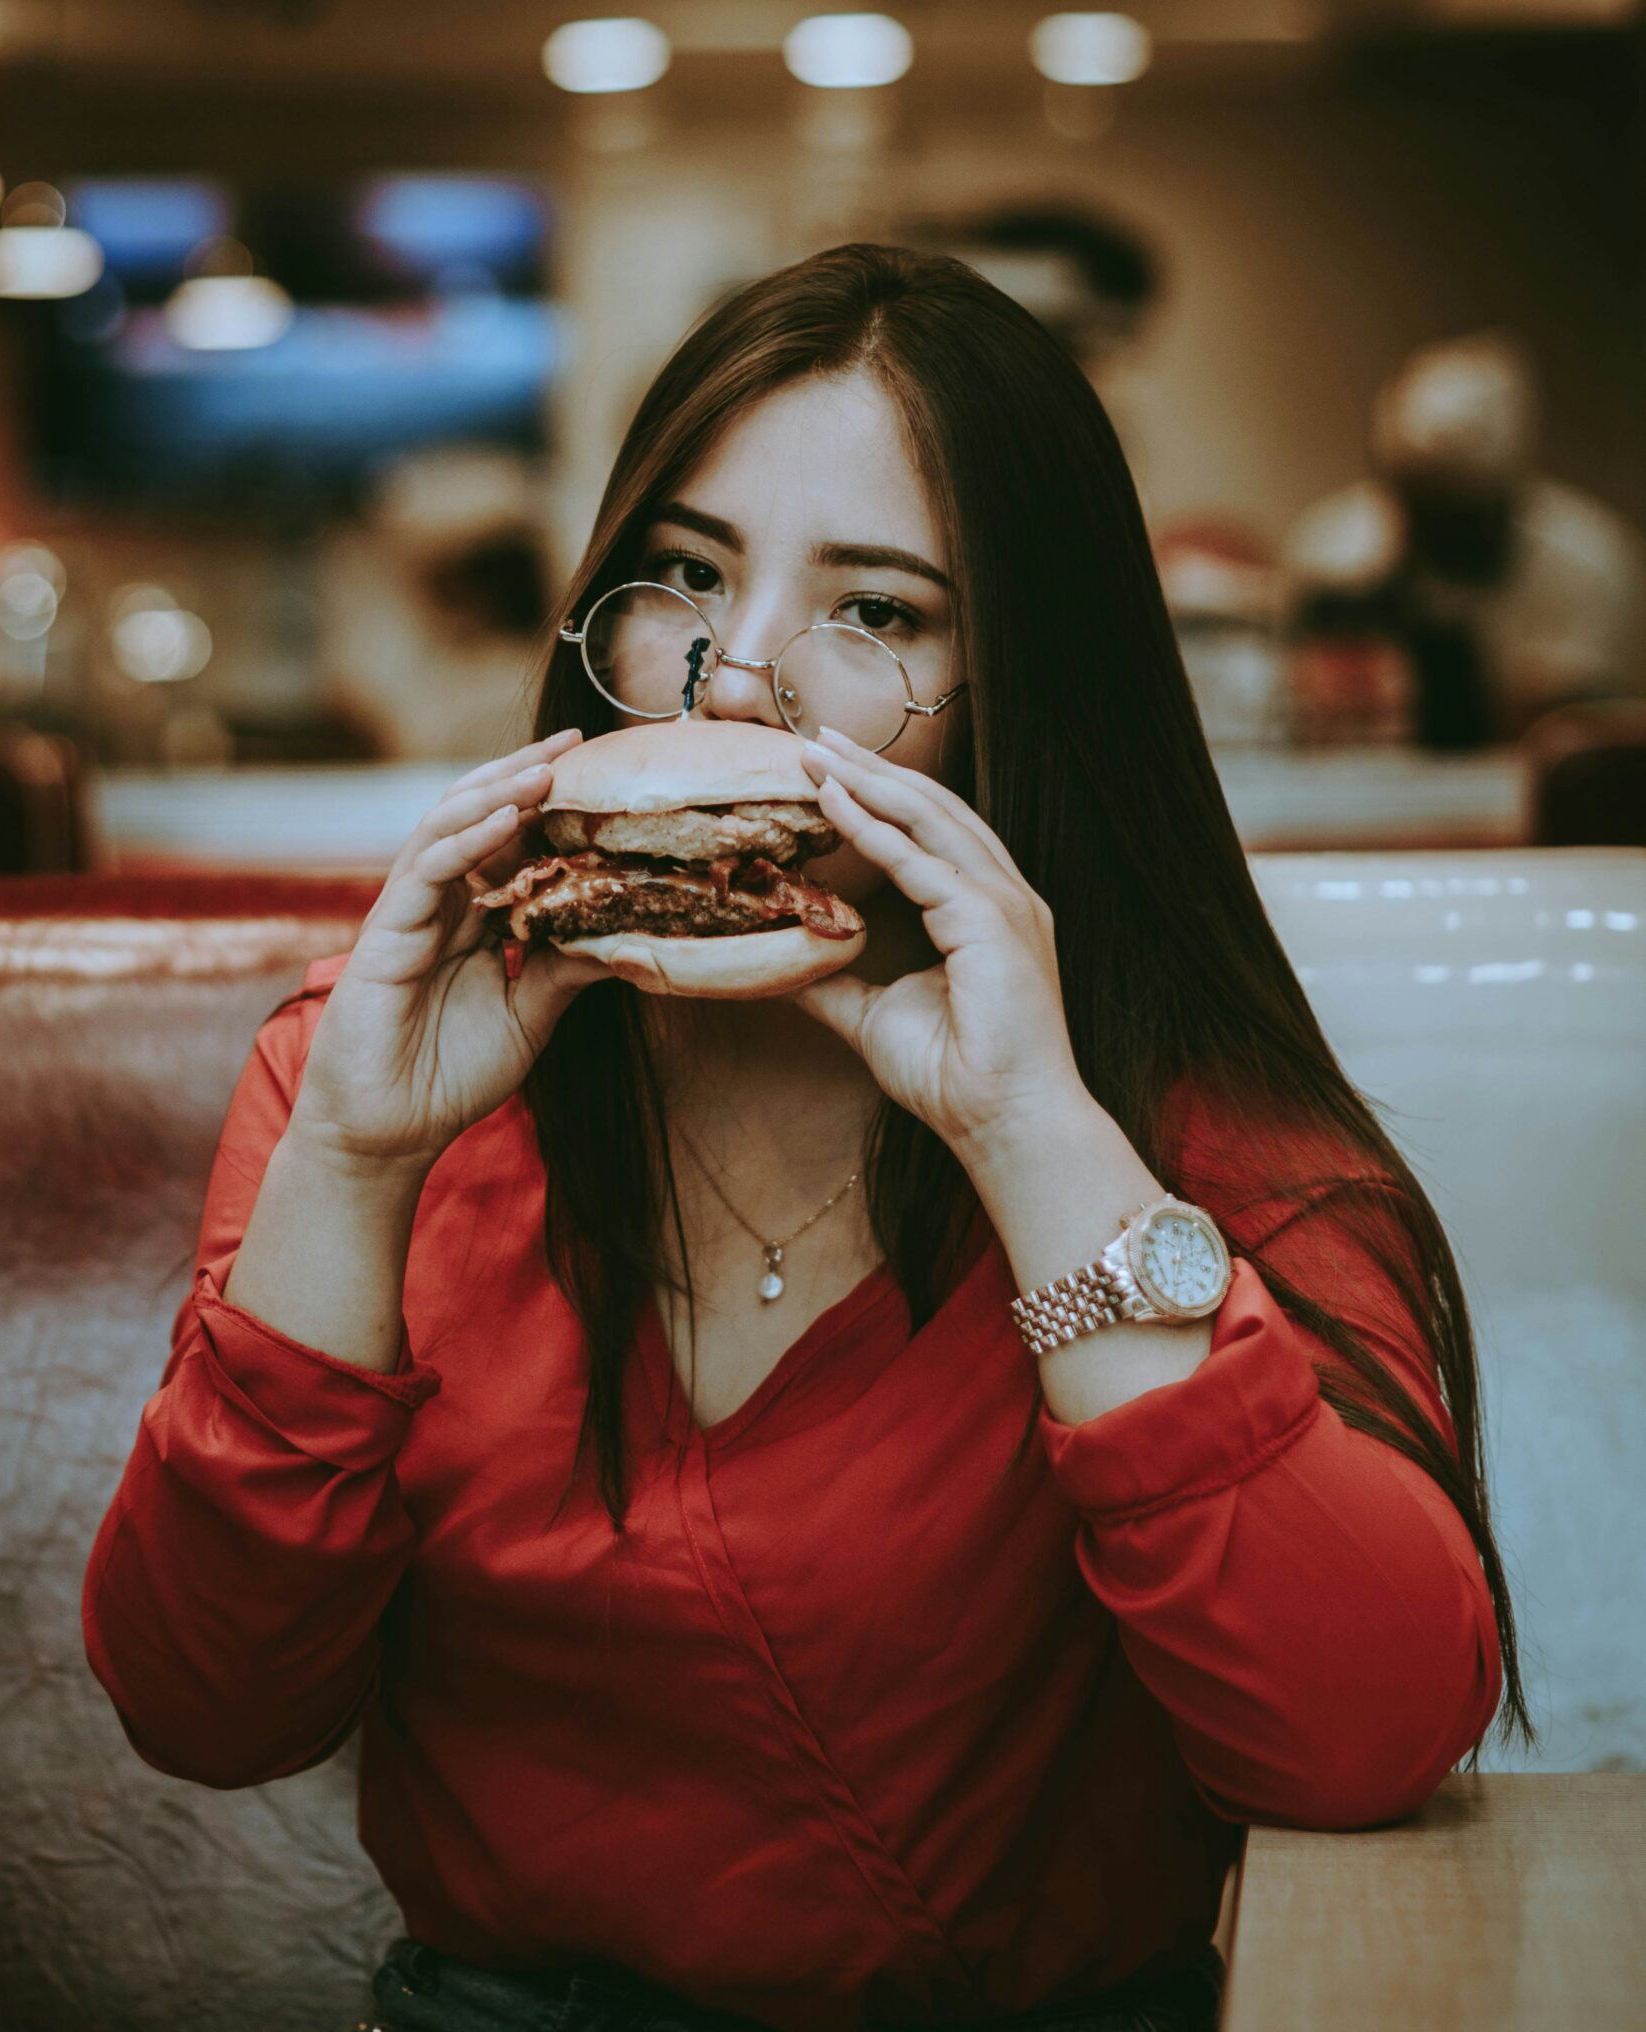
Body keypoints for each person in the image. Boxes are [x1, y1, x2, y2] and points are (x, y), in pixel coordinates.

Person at [81, 245, 1528, 2032]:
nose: (734, 679)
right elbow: (202, 1709)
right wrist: (358, 1165)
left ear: (1022, 684)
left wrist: (1026, 1135)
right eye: (681, 575)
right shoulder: (363, 1080)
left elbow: (1360, 1739)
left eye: (881, 614)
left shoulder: (1175, 1122)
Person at [1283, 333, 1646, 748]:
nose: (1431, 528)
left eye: (1456, 511)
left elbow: (1577, 725)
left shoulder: (1590, 560)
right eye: (1417, 498)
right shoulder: (1332, 547)